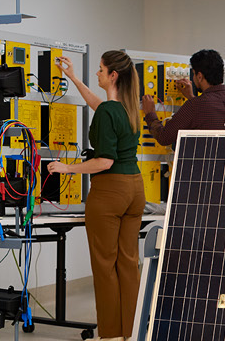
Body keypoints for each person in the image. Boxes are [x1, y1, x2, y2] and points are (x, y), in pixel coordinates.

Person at [47, 52, 145, 341]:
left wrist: (67, 168)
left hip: (110, 191)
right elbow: (98, 105)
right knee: (128, 263)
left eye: (101, 70)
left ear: (113, 75)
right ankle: (131, 332)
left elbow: (104, 161)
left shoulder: (108, 112)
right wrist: (73, 78)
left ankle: (111, 335)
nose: (98, 74)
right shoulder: (128, 108)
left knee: (104, 265)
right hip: (136, 188)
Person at [140, 49, 225, 145]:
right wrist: (192, 97)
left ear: (199, 76)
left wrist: (150, 113)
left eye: (194, 74)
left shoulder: (195, 106)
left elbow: (164, 137)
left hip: (202, 167)